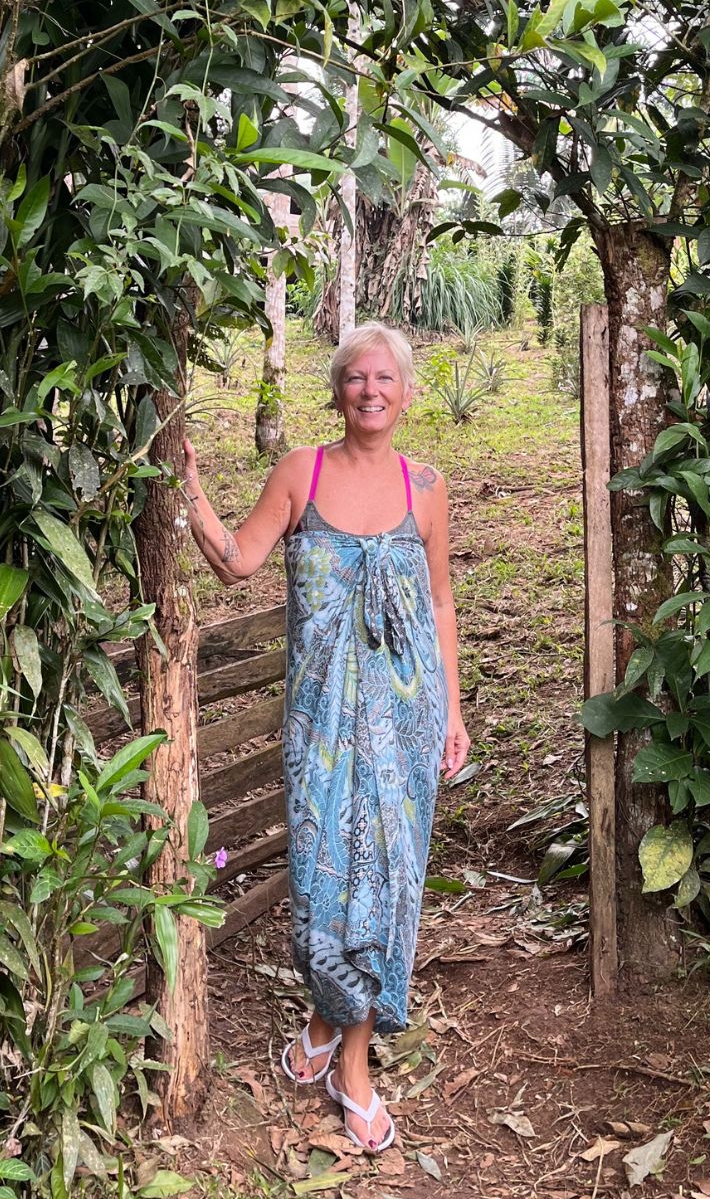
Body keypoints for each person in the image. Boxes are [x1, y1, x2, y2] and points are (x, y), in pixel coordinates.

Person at [183, 321, 470, 1152]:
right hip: (322, 727)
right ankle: (323, 1013)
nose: (371, 390)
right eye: (355, 378)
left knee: (383, 891)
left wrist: (451, 710)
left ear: (406, 394)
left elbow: (443, 602)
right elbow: (236, 560)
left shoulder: (427, 488)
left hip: (405, 727)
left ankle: (353, 1063)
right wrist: (189, 485)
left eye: (385, 378)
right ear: (338, 391)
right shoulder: (300, 473)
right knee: (323, 884)